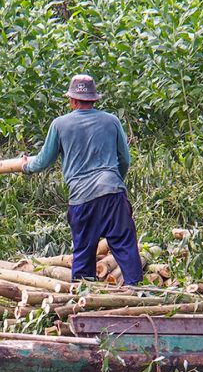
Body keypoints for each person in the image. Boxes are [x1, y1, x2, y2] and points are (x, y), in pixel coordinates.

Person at [22, 74, 143, 285]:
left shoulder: (60, 124)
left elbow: (43, 160)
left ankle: (83, 296)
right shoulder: (111, 121)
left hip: (82, 198)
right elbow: (125, 159)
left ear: (73, 100)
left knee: (84, 250)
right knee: (125, 245)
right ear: (94, 99)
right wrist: (116, 182)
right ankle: (138, 291)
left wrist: (26, 167)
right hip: (112, 191)